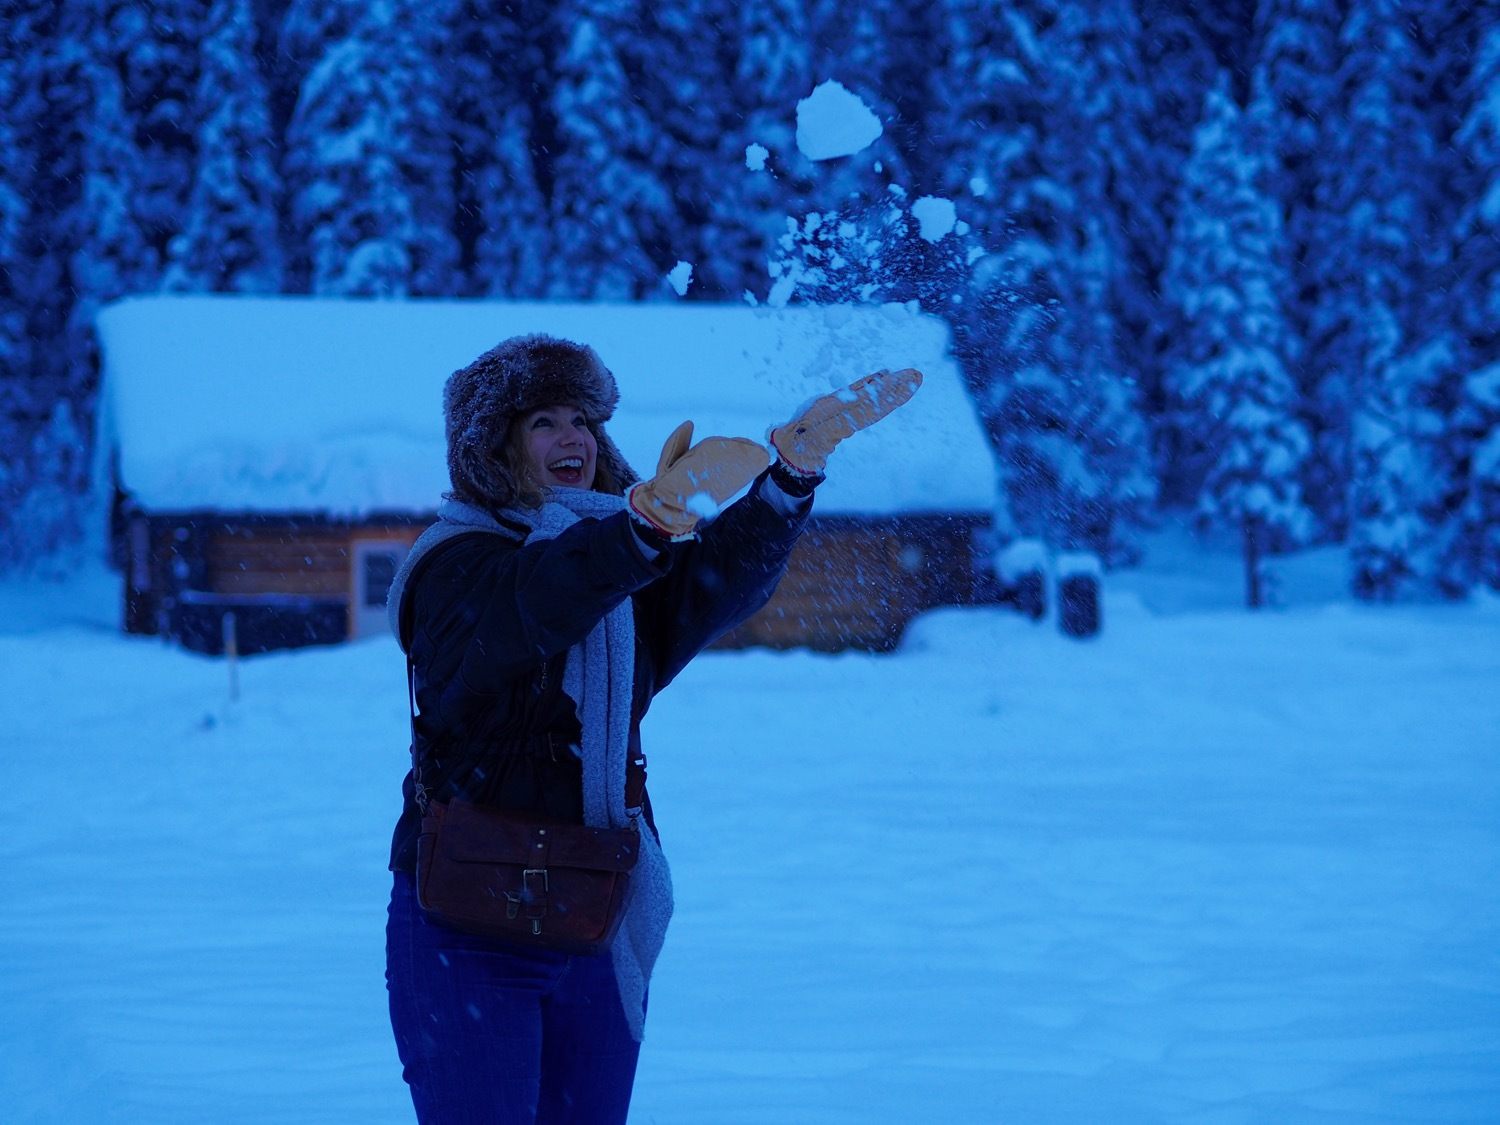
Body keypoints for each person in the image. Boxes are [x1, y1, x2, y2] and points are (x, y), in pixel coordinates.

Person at [384, 334, 920, 1123]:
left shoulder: (617, 569)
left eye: (582, 419)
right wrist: (638, 528)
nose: (572, 439)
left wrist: (787, 480)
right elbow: (536, 602)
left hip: (593, 910)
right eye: (541, 423)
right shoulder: (455, 568)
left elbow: (701, 587)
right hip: (466, 924)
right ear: (492, 446)